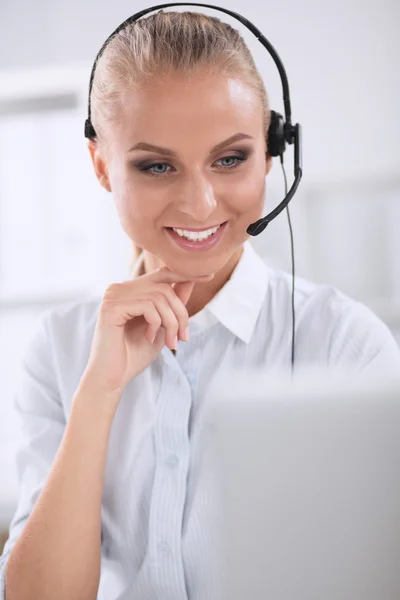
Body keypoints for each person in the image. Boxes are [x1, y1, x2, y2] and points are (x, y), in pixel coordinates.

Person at [1, 10, 399, 600]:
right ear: (102, 165)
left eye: (230, 158)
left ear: (272, 152)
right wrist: (99, 393)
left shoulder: (345, 345)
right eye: (156, 166)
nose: (199, 203)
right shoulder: (58, 347)